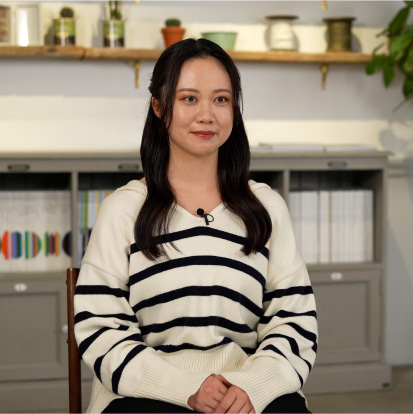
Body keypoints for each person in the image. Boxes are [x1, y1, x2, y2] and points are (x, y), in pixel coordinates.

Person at [73, 38, 318, 414]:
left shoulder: (266, 207)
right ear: (158, 106)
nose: (207, 115)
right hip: (147, 394)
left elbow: (293, 319)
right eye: (189, 98)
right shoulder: (123, 210)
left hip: (244, 390)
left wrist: (253, 386)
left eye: (221, 99)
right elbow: (100, 328)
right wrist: (184, 388)